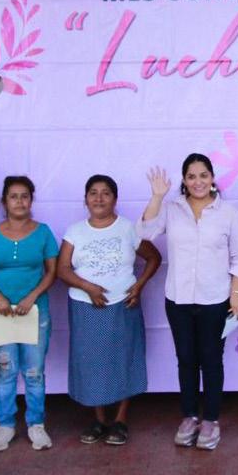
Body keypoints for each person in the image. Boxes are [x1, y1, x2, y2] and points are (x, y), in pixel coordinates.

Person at [140, 155, 238, 451]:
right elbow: (145, 233)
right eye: (191, 176)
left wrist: (236, 292)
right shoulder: (171, 209)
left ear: (212, 178)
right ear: (184, 180)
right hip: (178, 298)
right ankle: (189, 417)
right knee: (186, 360)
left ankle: (211, 420)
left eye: (203, 175)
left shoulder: (228, 213)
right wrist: (157, 196)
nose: (198, 182)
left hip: (216, 300)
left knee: (211, 361)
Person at [57, 174, 161, 446]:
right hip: (85, 307)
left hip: (122, 306)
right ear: (85, 199)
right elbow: (62, 269)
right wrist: (88, 287)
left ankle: (120, 420)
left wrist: (138, 286)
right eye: (93, 193)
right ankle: (99, 420)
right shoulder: (75, 232)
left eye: (106, 193)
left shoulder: (128, 229)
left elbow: (154, 257)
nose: (99, 198)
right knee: (91, 362)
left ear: (115, 199)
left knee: (123, 359)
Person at [0, 176, 59, 451]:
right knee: (5, 370)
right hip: (0, 313)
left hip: (35, 312)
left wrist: (32, 296)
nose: (19, 201)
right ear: (4, 201)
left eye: (25, 196)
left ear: (31, 200)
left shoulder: (43, 232)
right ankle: (5, 425)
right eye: (13, 196)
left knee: (34, 372)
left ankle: (36, 425)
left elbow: (52, 272)